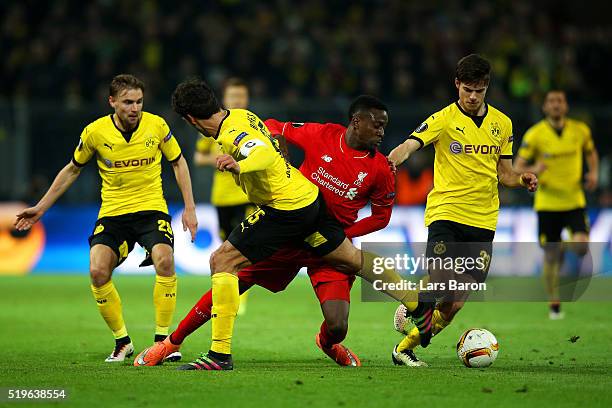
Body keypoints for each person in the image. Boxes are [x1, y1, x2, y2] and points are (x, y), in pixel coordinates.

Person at [134, 78, 432, 371]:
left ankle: (321, 343)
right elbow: (273, 129)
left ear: (190, 119)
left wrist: (242, 164)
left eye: (384, 125)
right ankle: (173, 343)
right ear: (356, 121)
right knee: (235, 271)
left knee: (335, 322)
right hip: (304, 216)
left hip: (295, 214)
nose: (382, 131)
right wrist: (280, 152)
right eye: (377, 124)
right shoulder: (315, 132)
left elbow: (381, 217)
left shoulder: (381, 168)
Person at [14, 74, 198, 362]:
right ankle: (122, 342)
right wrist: (41, 207)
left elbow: (178, 161)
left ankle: (163, 342)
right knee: (98, 271)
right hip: (113, 214)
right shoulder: (95, 133)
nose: (135, 108)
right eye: (127, 102)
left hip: (151, 209)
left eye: (138, 101)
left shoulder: (157, 125)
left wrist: (189, 208)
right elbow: (72, 169)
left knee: (165, 259)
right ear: (112, 101)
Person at [388, 54, 538, 367]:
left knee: (455, 302)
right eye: (467, 89)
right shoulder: (443, 119)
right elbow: (411, 144)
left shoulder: (503, 123)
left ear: (487, 88)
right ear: (457, 84)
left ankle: (404, 348)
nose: (472, 96)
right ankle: (415, 302)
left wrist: (522, 179)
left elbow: (505, 174)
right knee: (443, 278)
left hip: (483, 220)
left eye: (479, 91)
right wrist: (393, 160)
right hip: (446, 211)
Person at [515, 90, 599, 319]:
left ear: (566, 106)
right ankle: (554, 303)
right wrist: (533, 169)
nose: (556, 105)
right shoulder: (535, 135)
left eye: (560, 101)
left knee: (581, 247)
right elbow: (517, 166)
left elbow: (591, 153)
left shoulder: (580, 131)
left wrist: (593, 173)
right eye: (551, 101)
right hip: (547, 203)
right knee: (550, 256)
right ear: (544, 107)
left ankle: (561, 245)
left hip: (573, 199)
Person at [194, 78, 254, 315]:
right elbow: (198, 158)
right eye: (233, 96)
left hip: (247, 195)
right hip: (221, 198)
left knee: (243, 248)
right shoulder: (213, 127)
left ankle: (240, 298)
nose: (238, 100)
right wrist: (221, 160)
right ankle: (229, 293)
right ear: (225, 99)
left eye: (241, 96)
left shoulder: (252, 125)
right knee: (226, 248)